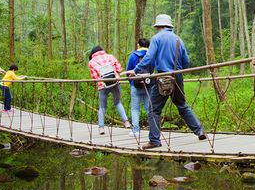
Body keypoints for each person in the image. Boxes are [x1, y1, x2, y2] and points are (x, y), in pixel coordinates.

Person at [132, 14, 206, 149]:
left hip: (162, 76)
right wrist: (178, 70)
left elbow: (148, 58)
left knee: (154, 109)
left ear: (158, 26)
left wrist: (136, 70)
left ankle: (154, 140)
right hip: (176, 76)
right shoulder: (178, 39)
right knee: (182, 105)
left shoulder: (157, 38)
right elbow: (186, 61)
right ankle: (199, 130)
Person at [88, 45, 132, 135]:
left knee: (102, 106)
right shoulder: (110, 57)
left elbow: (94, 77)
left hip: (102, 85)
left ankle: (101, 128)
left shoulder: (92, 62)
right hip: (115, 82)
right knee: (118, 102)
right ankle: (126, 122)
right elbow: (119, 69)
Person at [126, 37, 151, 137]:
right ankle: (153, 129)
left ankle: (136, 130)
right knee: (149, 108)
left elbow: (128, 70)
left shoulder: (133, 55)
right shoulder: (151, 55)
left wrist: (131, 81)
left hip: (135, 85)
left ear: (138, 45)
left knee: (135, 109)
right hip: (149, 83)